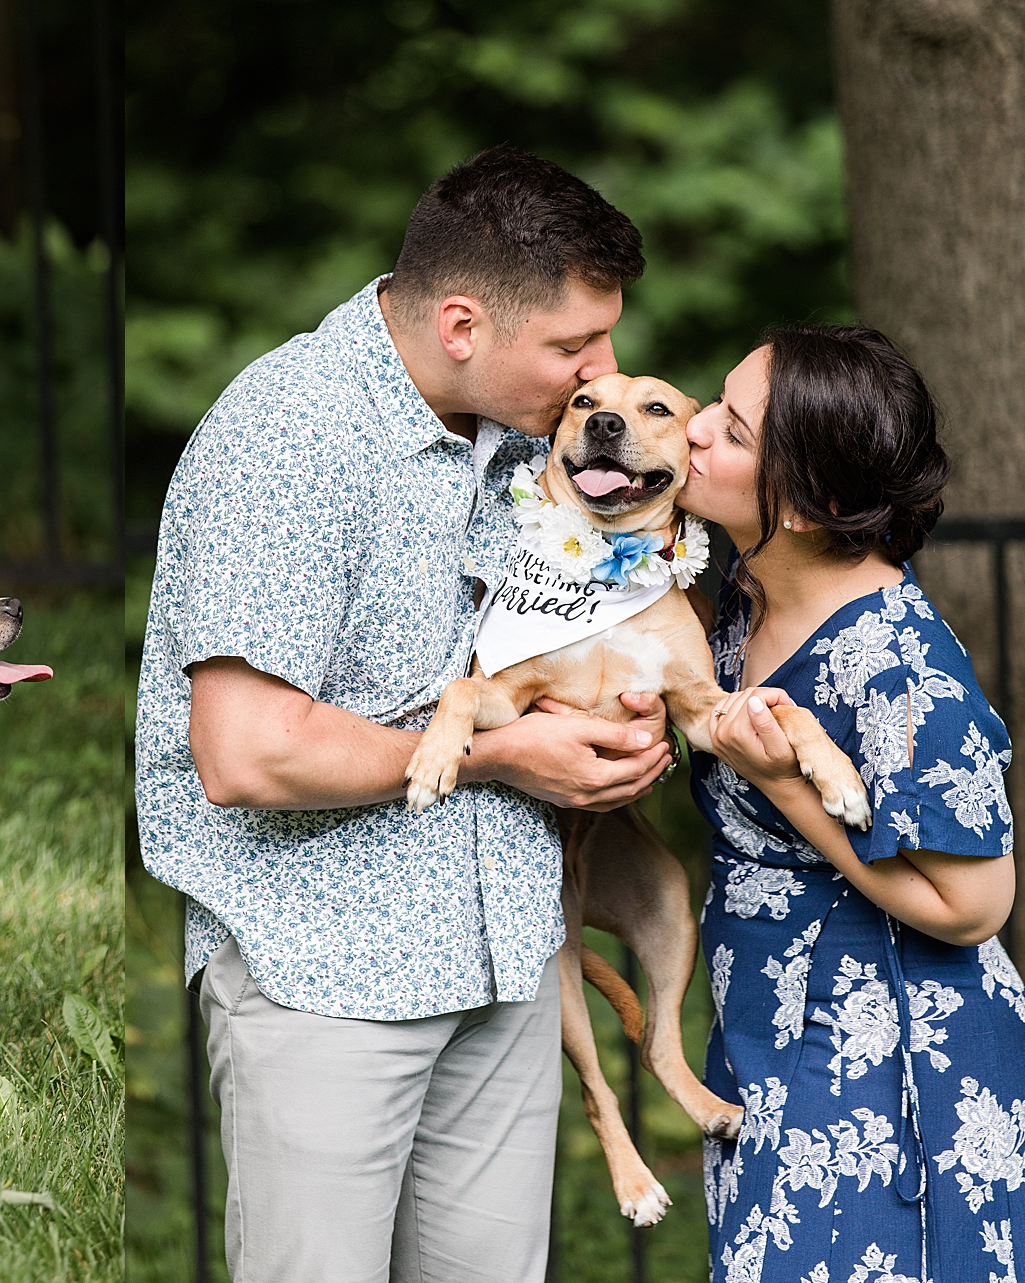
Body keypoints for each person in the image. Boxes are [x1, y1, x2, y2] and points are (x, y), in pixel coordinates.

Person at [135, 146, 674, 1283]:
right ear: (465, 324)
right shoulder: (293, 435)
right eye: (575, 346)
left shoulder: (531, 443)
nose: (602, 371)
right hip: (328, 971)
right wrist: (504, 755)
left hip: (506, 952)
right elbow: (243, 752)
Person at [686, 324, 1020, 1283]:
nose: (699, 431)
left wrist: (789, 787)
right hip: (766, 1026)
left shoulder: (898, 663)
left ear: (812, 504)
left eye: (736, 433)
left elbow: (976, 907)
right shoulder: (742, 595)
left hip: (889, 1059)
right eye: (716, 402)